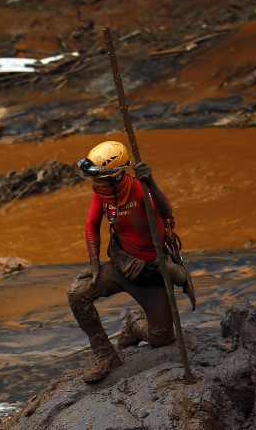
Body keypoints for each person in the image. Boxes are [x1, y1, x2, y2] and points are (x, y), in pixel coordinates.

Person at [68, 140, 194, 384]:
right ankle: (105, 355)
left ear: (116, 177)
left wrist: (152, 183)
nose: (95, 184)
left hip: (151, 272)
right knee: (77, 292)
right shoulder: (102, 195)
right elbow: (91, 225)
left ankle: (135, 324)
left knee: (161, 339)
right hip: (122, 266)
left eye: (100, 178)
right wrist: (94, 262)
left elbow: (166, 212)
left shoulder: (140, 189)